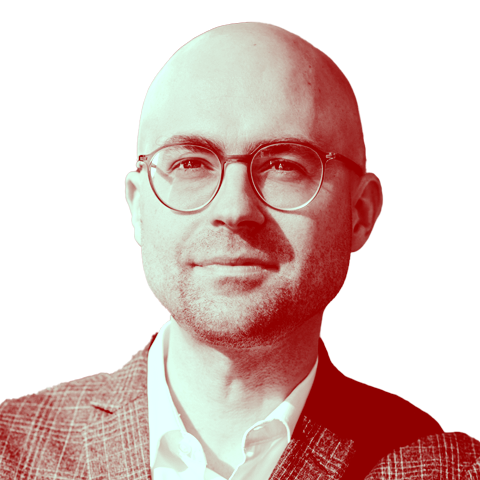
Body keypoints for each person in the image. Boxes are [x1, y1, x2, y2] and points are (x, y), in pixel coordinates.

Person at [1, 22, 479, 480]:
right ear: (138, 208)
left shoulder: (441, 470)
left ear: (360, 213)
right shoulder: (12, 453)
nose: (234, 209)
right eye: (190, 163)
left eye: (284, 165)